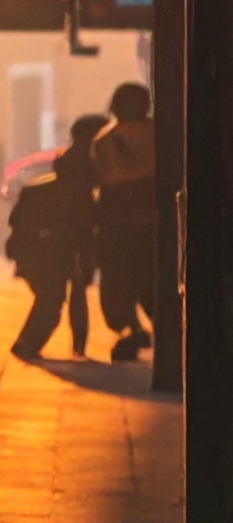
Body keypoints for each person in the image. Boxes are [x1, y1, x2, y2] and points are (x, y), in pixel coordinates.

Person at [7, 113, 107, 360]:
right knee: (55, 297)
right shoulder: (87, 159)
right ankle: (29, 344)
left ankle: (31, 344)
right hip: (57, 242)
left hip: (56, 242)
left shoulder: (71, 162)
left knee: (55, 297)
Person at [92, 80, 157, 361]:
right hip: (154, 219)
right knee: (151, 279)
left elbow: (106, 179)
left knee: (121, 279)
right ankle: (161, 329)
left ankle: (131, 328)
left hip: (117, 222)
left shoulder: (106, 140)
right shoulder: (161, 134)